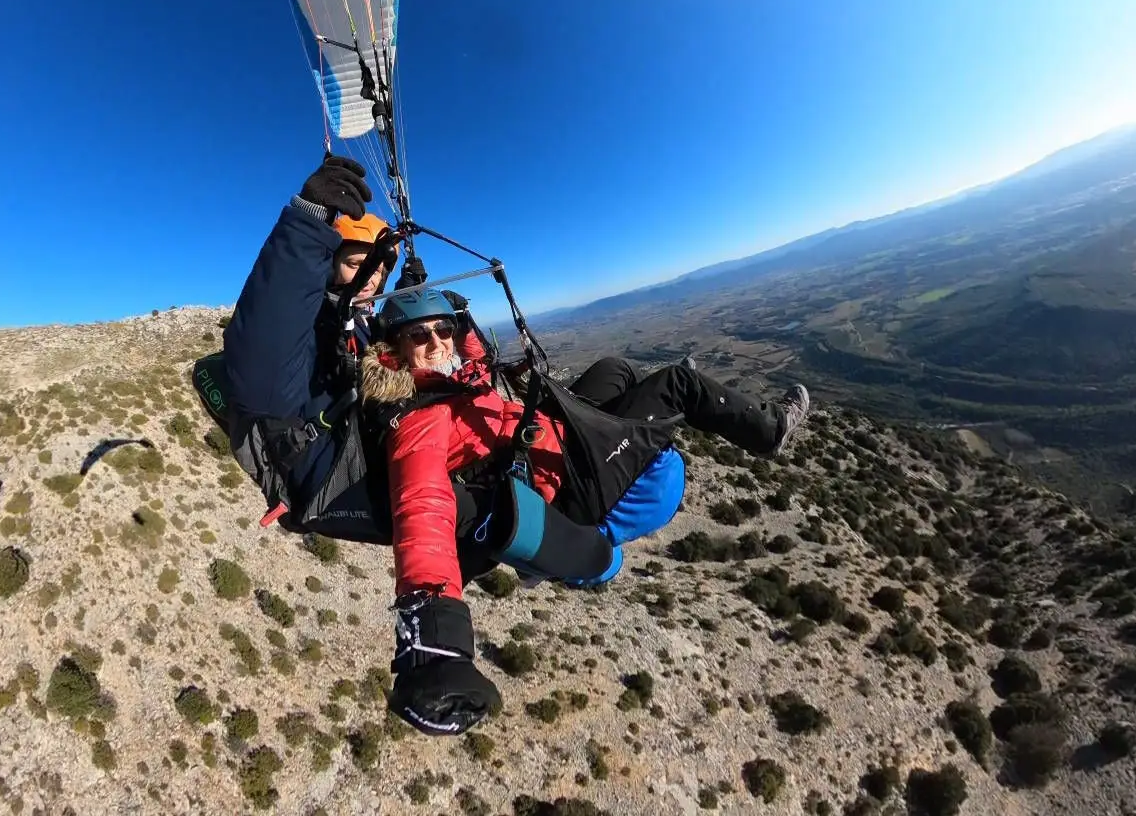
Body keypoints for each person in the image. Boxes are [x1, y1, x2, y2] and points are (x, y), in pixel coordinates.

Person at [362, 288, 812, 735]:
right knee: (679, 384)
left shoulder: (450, 375)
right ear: (394, 350)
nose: (438, 342)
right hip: (564, 488)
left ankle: (649, 409)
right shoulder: (420, 418)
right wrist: (437, 647)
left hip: (551, 444)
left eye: (443, 331)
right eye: (419, 335)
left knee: (613, 371)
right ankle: (767, 429)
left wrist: (459, 315)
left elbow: (470, 357)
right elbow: (421, 507)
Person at [218, 155, 400, 533]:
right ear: (330, 265)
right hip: (326, 479)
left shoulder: (358, 322)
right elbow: (265, 341)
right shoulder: (311, 321)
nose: (370, 281)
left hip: (363, 452)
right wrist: (307, 224)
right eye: (357, 266)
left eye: (379, 273)